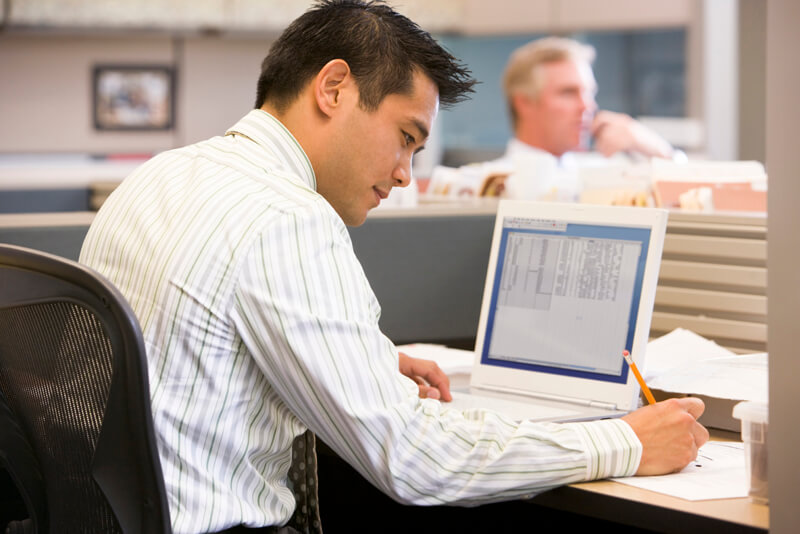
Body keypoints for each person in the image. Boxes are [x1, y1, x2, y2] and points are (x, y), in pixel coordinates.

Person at [80, 2, 708, 533]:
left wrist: (363, 361)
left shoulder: (166, 173)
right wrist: (624, 442)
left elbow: (191, 343)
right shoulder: (289, 218)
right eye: (406, 135)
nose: (407, 171)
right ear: (334, 89)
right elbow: (412, 458)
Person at [491, 36, 682, 202]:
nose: (588, 107)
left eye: (589, 93)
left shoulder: (607, 173)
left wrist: (652, 146)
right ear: (524, 102)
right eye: (568, 93)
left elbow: (689, 196)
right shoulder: (487, 185)